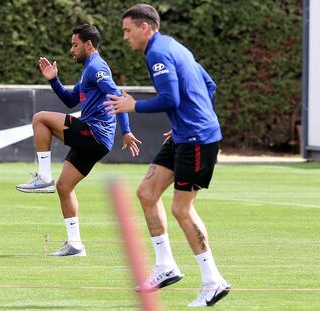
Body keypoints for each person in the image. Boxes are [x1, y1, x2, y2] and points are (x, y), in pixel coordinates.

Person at [104, 4, 230, 307]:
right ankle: (165, 267)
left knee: (182, 210)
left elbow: (170, 98)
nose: (125, 37)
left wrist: (134, 107)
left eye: (127, 30)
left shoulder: (158, 53)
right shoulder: (173, 46)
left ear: (145, 27)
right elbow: (208, 85)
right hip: (187, 135)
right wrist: (191, 119)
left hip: (197, 139)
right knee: (147, 192)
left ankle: (213, 281)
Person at [17, 24, 141, 257]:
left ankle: (43, 176)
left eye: (74, 45)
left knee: (40, 118)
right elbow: (70, 101)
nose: (71, 50)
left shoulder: (96, 67)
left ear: (88, 45)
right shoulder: (88, 70)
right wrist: (54, 80)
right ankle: (75, 245)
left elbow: (116, 95)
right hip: (95, 139)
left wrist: (126, 130)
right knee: (64, 187)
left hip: (94, 133)